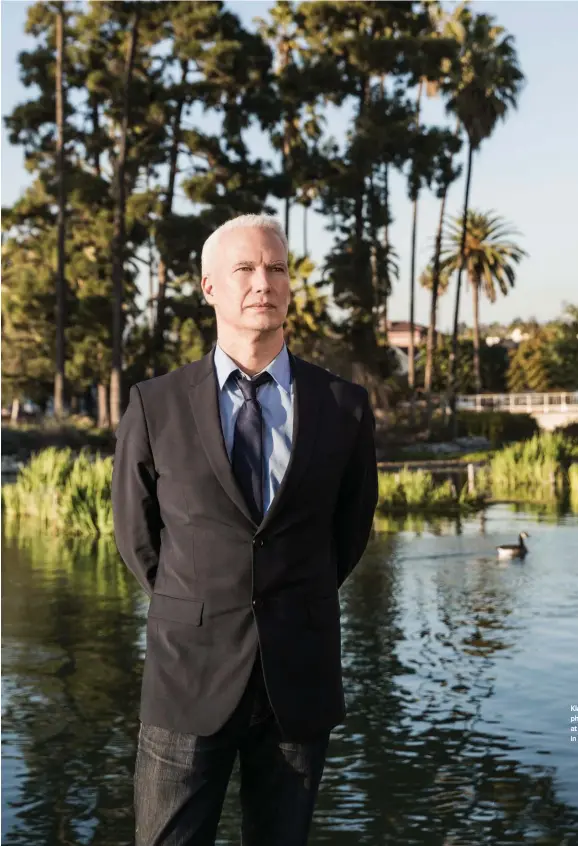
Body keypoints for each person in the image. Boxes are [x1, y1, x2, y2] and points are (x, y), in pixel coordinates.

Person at [111, 213, 379, 846]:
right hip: (188, 676)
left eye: (278, 268)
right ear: (209, 287)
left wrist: (292, 600)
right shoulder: (156, 404)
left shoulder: (343, 406)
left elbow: (350, 531)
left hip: (299, 678)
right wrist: (201, 603)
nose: (265, 281)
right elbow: (136, 535)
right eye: (246, 269)